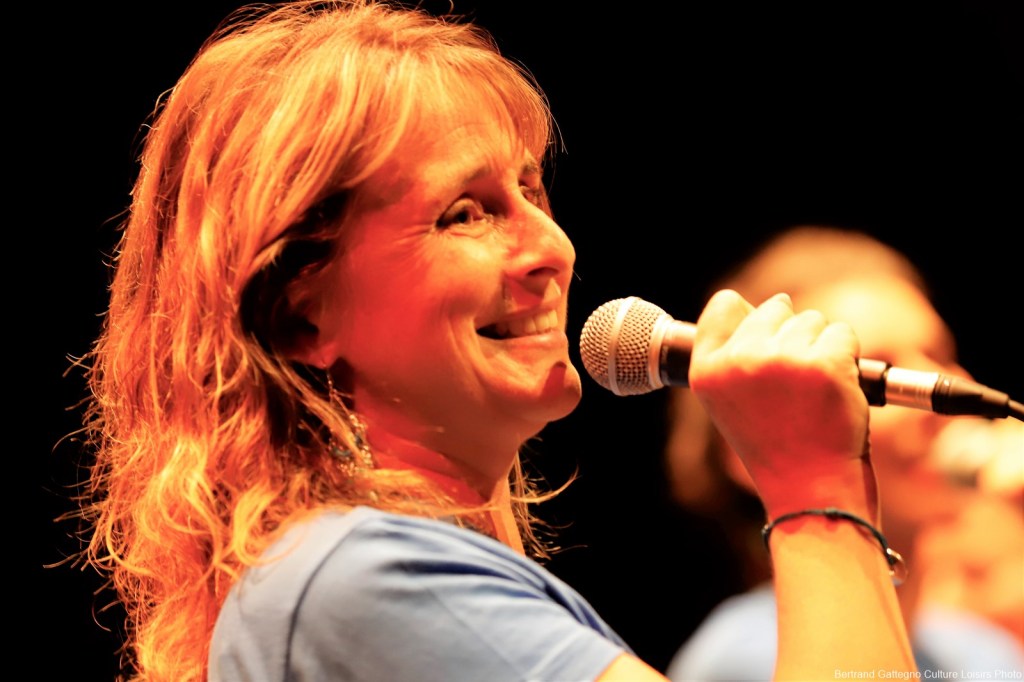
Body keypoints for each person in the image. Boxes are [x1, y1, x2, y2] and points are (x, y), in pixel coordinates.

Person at [68, 3, 918, 681]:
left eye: (531, 191)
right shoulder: (358, 579)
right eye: (466, 213)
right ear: (303, 317)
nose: (553, 248)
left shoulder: (368, 576)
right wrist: (814, 488)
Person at [663, 226, 1024, 681]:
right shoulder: (746, 657)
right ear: (743, 447)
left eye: (939, 354)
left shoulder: (983, 652)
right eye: (880, 374)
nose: (940, 395)